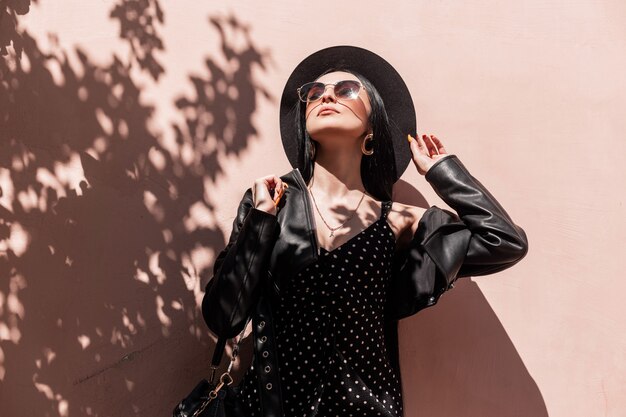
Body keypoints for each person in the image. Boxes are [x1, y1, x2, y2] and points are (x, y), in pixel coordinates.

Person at [201, 46, 528, 417]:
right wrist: (260, 221)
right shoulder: (272, 202)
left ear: (373, 124)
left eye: (346, 90)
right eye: (314, 92)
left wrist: (441, 171)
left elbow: (504, 241)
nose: (326, 95)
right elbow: (223, 319)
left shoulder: (399, 221)